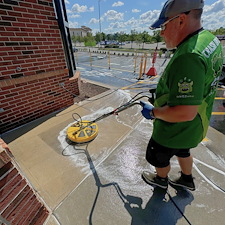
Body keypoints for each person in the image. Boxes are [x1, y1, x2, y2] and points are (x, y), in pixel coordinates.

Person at [140, 0, 223, 191]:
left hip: (173, 130)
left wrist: (153, 113)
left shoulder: (189, 56)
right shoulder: (210, 40)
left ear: (181, 20)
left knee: (156, 156)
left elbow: (184, 112)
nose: (161, 33)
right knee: (183, 151)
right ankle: (187, 179)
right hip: (194, 128)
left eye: (163, 25)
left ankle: (160, 180)